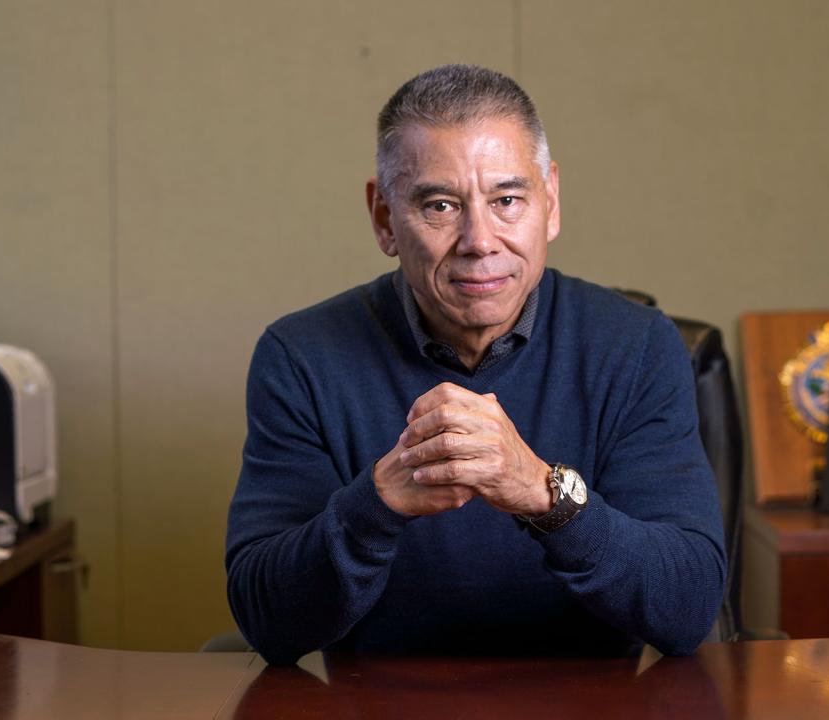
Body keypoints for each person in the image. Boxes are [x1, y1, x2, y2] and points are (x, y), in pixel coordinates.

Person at [225, 64, 726, 665]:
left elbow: (689, 607)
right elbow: (268, 624)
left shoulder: (638, 346)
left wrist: (541, 492)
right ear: (384, 218)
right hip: (383, 708)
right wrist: (375, 505)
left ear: (552, 202)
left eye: (508, 199)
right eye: (441, 205)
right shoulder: (301, 357)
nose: (480, 240)